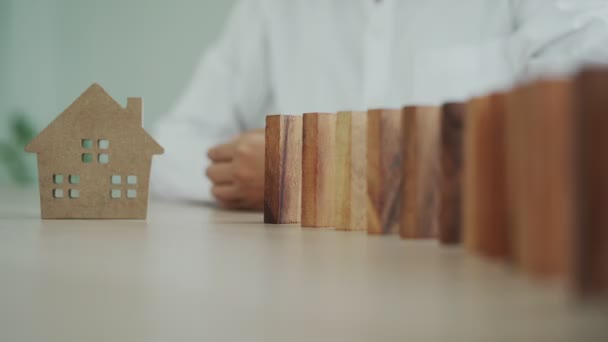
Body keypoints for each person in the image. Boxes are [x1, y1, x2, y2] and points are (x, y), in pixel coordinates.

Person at [152, 0, 608, 210]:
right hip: (305, 300)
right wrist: (252, 175)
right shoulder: (272, 8)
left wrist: (306, 171)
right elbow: (167, 149)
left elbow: (578, 133)